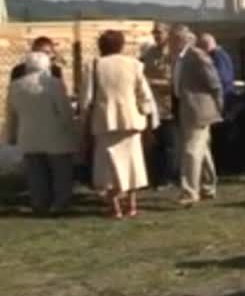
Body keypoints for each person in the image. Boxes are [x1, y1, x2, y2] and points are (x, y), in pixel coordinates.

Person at [82, 30, 159, 219]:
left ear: (101, 46)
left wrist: (84, 119)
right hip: (131, 120)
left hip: (104, 121)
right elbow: (145, 95)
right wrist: (148, 117)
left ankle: (115, 207)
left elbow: (87, 98)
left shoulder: (93, 66)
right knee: (132, 163)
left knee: (107, 166)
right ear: (121, 45)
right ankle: (132, 205)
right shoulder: (134, 65)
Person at [5, 53, 77, 216]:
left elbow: (11, 115)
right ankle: (60, 203)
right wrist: (71, 128)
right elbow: (64, 111)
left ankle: (39, 203)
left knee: (36, 173)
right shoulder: (54, 84)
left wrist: (10, 136)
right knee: (61, 172)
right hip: (55, 135)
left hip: (29, 136)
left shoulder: (15, 86)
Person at [171, 25, 223, 206]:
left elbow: (215, 83)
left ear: (185, 39)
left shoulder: (197, 56)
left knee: (191, 150)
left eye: (174, 38)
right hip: (185, 107)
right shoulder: (178, 58)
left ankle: (189, 191)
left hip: (198, 109)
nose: (170, 41)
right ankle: (208, 186)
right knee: (202, 149)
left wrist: (219, 104)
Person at [141, 23, 178, 188]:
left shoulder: (173, 54)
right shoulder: (150, 53)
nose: (156, 35)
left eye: (159, 32)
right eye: (154, 32)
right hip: (151, 106)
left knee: (168, 144)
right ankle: (155, 177)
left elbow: (175, 83)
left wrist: (151, 82)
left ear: (167, 33)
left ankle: (168, 178)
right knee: (154, 144)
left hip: (167, 105)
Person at [198, 33, 236, 173]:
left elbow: (221, 79)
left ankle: (223, 165)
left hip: (222, 100)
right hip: (223, 98)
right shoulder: (220, 55)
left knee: (221, 135)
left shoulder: (218, 57)